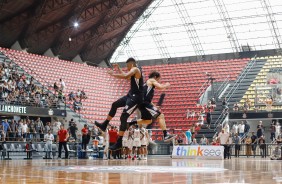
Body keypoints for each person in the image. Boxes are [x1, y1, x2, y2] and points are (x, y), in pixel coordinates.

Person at [96, 58, 144, 151]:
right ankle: (104, 124)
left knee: (123, 117)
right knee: (115, 104)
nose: (127, 67)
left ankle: (119, 142)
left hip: (136, 98)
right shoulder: (134, 72)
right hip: (130, 95)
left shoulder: (135, 69)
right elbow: (127, 76)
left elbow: (125, 76)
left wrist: (113, 74)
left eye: (127, 66)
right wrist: (118, 69)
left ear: (131, 64)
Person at [130, 71, 173, 141]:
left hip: (141, 103)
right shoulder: (151, 80)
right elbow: (161, 87)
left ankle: (132, 123)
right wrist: (166, 85)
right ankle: (165, 135)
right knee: (160, 116)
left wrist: (154, 106)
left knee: (148, 121)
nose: (159, 81)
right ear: (155, 77)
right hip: (144, 103)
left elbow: (147, 98)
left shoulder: (146, 84)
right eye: (159, 79)